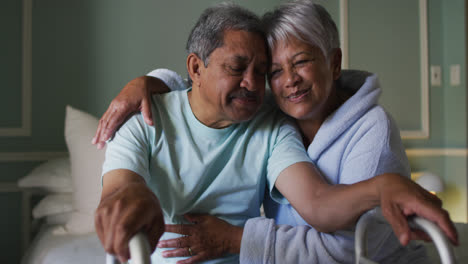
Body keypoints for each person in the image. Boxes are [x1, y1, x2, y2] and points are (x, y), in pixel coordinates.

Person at [94, 1, 458, 264]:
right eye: (240, 68)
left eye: (262, 71)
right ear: (195, 67)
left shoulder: (272, 125)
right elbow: (123, 185)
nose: (253, 84)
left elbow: (322, 209)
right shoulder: (146, 116)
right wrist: (148, 82)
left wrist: (381, 187)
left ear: (333, 63)